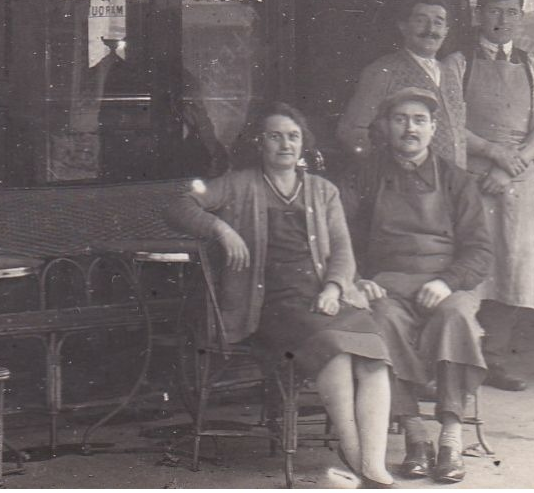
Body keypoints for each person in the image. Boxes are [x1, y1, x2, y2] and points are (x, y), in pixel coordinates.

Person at [164, 103, 397, 486]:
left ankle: (373, 462)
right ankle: (359, 461)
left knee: (372, 356)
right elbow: (178, 202)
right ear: (259, 142)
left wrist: (335, 287)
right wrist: (220, 229)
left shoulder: (324, 191)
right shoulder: (237, 184)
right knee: (334, 353)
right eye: (275, 136)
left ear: (304, 143)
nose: (285, 144)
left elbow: (342, 250)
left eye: (293, 136)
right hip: (271, 305)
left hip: (327, 297)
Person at [348, 86, 493, 485]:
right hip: (386, 286)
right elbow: (342, 236)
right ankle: (415, 437)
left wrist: (448, 282)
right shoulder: (366, 175)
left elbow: (480, 251)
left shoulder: (456, 180)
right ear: (385, 126)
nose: (409, 128)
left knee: (456, 319)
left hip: (445, 285)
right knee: (379, 323)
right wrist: (359, 280)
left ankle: (450, 437)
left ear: (433, 128)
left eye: (419, 120)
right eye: (400, 119)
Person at [448, 0, 534, 393]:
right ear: (479, 15)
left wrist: (511, 164)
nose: (502, 20)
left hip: (515, 182)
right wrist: (493, 154)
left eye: (511, 12)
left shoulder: (532, 66)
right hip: (469, 178)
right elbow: (451, 123)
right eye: (494, 11)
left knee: (511, 266)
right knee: (473, 263)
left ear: (521, 16)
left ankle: (496, 358)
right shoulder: (458, 64)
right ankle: (463, 358)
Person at [338, 0, 467, 168]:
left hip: (454, 186)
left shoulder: (450, 73)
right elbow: (351, 131)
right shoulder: (383, 71)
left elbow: (456, 131)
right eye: (421, 21)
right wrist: (387, 172)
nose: (430, 29)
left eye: (438, 22)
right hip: (405, 188)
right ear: (403, 26)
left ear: (446, 31)